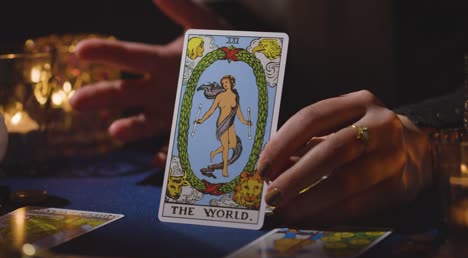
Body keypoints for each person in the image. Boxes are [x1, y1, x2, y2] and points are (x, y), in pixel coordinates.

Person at [69, 0, 463, 227]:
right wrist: (226, 45)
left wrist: (428, 130)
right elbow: (274, 46)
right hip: (277, 169)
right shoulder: (227, 85)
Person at [195, 75, 251, 177]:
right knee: (225, 147)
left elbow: (238, 112)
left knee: (233, 144)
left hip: (231, 123)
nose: (224, 85)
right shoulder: (220, 96)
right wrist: (201, 120)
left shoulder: (235, 96)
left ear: (231, 83)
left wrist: (245, 122)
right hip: (221, 124)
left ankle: (214, 152)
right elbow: (211, 110)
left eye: (226, 83)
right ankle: (225, 169)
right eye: (223, 83)